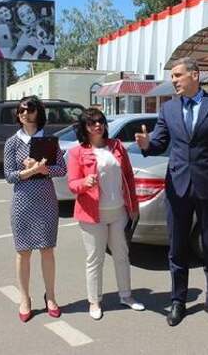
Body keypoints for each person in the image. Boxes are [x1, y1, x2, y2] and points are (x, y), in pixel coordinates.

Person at [135, 57, 208, 326]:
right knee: (177, 247)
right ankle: (178, 300)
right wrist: (146, 144)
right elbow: (159, 143)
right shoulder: (168, 109)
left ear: (195, 74)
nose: (174, 80)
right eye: (173, 76)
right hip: (177, 187)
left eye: (178, 75)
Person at [67, 108, 145, 320]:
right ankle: (94, 301)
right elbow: (72, 184)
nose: (97, 126)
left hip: (118, 212)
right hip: (92, 215)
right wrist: (84, 182)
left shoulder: (117, 146)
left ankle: (126, 296)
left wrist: (134, 206)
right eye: (91, 123)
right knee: (95, 259)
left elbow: (128, 176)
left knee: (122, 255)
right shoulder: (77, 152)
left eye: (100, 121)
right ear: (85, 127)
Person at [3, 95, 67, 322]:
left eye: (29, 110)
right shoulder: (12, 142)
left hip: (46, 199)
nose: (24, 114)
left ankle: (50, 296)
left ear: (38, 113)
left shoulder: (49, 140)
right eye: (21, 110)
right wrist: (30, 171)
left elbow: (62, 169)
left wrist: (43, 169)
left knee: (47, 249)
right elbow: (9, 176)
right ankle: (24, 298)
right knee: (23, 251)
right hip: (22, 200)